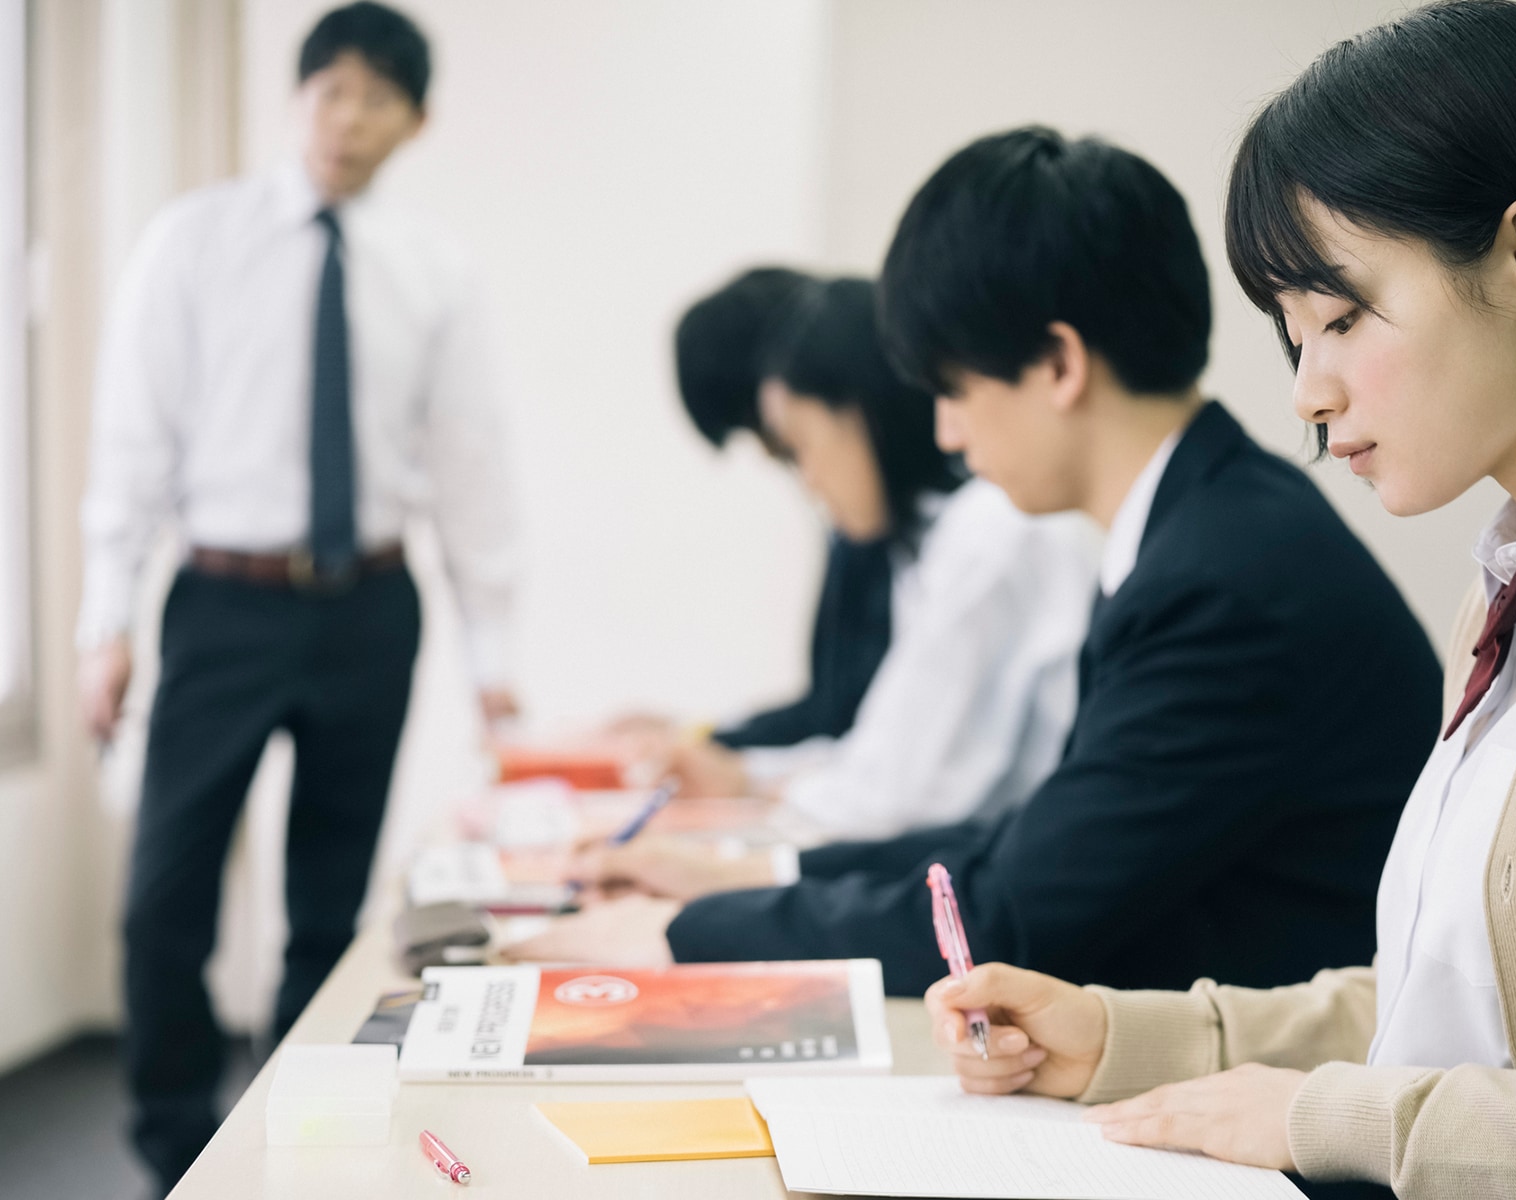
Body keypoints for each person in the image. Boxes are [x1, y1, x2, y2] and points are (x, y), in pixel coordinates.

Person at [505, 129, 1443, 1001]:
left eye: (953, 391)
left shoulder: (1222, 581)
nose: (947, 432)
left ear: (1058, 365)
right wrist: (742, 878)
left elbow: (1005, 914)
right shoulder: (1209, 526)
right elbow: (1026, 847)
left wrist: (683, 935)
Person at [925, 4, 1516, 1197]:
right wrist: (1119, 1038)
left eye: (1341, 318)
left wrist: (1319, 1118)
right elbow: (1450, 1010)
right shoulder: (1512, 601)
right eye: (1292, 337)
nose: (1309, 392)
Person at [75, 3, 517, 1189]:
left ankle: (286, 1139)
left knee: (330, 911)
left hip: (371, 608)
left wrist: (495, 660)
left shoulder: (432, 271)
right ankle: (174, 1149)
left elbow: (471, 467)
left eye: (377, 98)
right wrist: (102, 623)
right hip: (222, 604)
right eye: (331, 90)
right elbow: (132, 447)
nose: (348, 116)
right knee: (165, 897)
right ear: (298, 96)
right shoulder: (193, 241)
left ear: (413, 123)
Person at [656, 276, 1100, 838]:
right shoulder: (931, 545)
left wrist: (739, 807)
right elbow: (878, 753)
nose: (808, 481)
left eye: (800, 449)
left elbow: (895, 797)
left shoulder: (986, 534)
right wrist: (742, 773)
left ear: (863, 410)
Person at [613, 266, 898, 758]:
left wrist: (712, 746)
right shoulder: (858, 524)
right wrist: (700, 737)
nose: (777, 457)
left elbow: (847, 723)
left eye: (784, 436)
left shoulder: (958, 532)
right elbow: (831, 707)